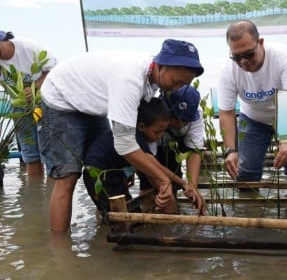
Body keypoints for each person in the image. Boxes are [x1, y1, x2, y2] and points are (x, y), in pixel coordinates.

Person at [38, 39, 206, 232]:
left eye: (184, 85)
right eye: (176, 82)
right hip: (61, 98)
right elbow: (125, 145)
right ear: (161, 65)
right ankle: (60, 252)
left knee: (101, 165)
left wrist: (180, 183)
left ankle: (107, 224)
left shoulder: (153, 82)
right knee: (68, 176)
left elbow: (136, 148)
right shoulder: (130, 80)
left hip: (91, 103)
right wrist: (163, 181)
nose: (177, 89)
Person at [0, 20, 57, 177]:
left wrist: (35, 86)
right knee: (30, 156)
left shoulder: (29, 48)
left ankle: (51, 197)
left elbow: (55, 71)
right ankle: (35, 197)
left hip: (47, 103)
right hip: (20, 109)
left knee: (51, 153)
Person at [217, 20, 287, 183]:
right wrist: (230, 151)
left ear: (261, 43)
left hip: (286, 117)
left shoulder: (283, 57)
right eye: (237, 57)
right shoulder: (228, 70)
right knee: (247, 173)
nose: (243, 62)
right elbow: (226, 112)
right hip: (253, 119)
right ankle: (247, 209)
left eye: (249, 54)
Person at [82, 97, 172, 221]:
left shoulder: (136, 135)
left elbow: (128, 158)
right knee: (119, 216)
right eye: (157, 132)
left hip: (113, 172)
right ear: (141, 126)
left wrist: (127, 172)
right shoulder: (136, 137)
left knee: (129, 213)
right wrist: (182, 183)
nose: (159, 137)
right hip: (98, 174)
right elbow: (154, 166)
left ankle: (106, 234)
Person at [138, 85, 206, 201]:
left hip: (173, 147)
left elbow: (194, 152)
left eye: (185, 120)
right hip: (148, 152)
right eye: (175, 119)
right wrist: (163, 189)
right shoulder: (154, 115)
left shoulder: (196, 115)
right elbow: (149, 161)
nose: (180, 124)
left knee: (173, 184)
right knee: (149, 186)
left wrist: (192, 188)